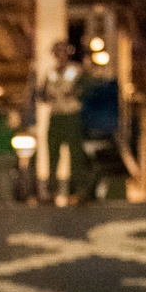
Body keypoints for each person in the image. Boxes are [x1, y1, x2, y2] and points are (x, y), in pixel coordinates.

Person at [38, 40, 92, 202]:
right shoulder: (49, 73)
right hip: (55, 116)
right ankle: (51, 192)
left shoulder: (76, 71)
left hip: (71, 116)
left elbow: (88, 88)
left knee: (76, 154)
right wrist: (46, 97)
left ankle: (79, 190)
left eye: (63, 52)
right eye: (57, 52)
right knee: (52, 154)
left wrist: (76, 92)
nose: (60, 55)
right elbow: (41, 93)